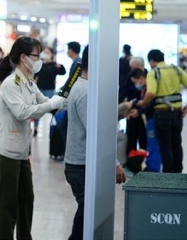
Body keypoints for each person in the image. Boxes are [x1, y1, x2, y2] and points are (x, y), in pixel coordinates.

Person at [0, 36, 67, 240]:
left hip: (22, 152)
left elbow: (44, 103)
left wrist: (61, 100)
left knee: (26, 200)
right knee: (7, 206)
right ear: (24, 57)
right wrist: (50, 105)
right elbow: (23, 112)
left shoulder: (29, 83)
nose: (39, 60)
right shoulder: (10, 84)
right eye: (36, 56)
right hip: (6, 153)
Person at [64, 45, 126, 240]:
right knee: (86, 216)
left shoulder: (87, 88)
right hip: (81, 166)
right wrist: (115, 163)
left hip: (82, 165)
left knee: (86, 215)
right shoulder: (85, 92)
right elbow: (95, 134)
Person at [137, 49, 187, 173]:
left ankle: (168, 175)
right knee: (176, 143)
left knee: (165, 145)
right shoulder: (177, 70)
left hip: (162, 113)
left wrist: (142, 104)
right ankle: (178, 174)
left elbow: (151, 93)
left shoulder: (154, 72)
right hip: (177, 113)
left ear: (152, 61)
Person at [128, 69, 160, 172]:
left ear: (141, 79)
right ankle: (151, 165)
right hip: (150, 118)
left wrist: (139, 111)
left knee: (154, 144)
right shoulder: (144, 89)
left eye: (135, 82)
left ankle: (153, 168)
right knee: (151, 144)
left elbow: (150, 105)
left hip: (153, 118)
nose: (136, 85)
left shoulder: (150, 89)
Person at [33, 47, 66, 136]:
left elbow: (63, 72)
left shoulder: (54, 65)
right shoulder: (40, 65)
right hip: (40, 89)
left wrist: (60, 66)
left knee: (53, 109)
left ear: (51, 54)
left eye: (47, 52)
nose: (45, 53)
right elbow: (34, 76)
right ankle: (35, 128)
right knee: (38, 110)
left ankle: (54, 126)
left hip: (50, 90)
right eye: (44, 52)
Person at [121, 56, 148, 159]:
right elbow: (125, 91)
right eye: (132, 68)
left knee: (144, 138)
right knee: (131, 138)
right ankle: (132, 162)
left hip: (144, 111)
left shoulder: (148, 75)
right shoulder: (130, 76)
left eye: (136, 67)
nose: (134, 70)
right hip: (131, 109)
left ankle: (142, 160)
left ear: (142, 66)